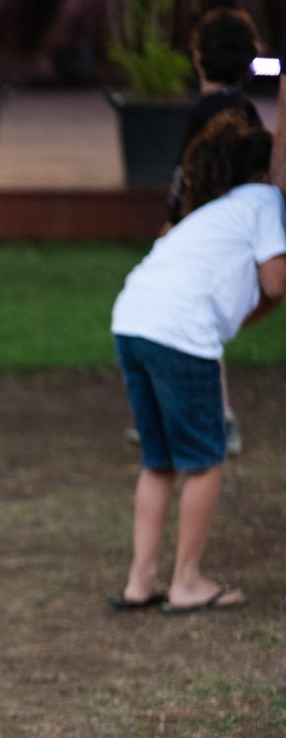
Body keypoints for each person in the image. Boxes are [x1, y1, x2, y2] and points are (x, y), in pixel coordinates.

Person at [111, 112, 283, 615]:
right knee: (205, 459)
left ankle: (141, 580)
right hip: (180, 332)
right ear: (265, 172)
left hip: (132, 319)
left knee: (159, 460)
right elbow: (275, 281)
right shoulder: (265, 200)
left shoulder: (214, 213)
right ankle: (187, 583)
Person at [164, 7, 265, 455]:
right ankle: (208, 415)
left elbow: (185, 177)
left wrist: (170, 225)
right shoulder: (247, 112)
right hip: (235, 238)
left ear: (199, 57)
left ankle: (213, 418)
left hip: (198, 236)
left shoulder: (205, 114)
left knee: (188, 325)